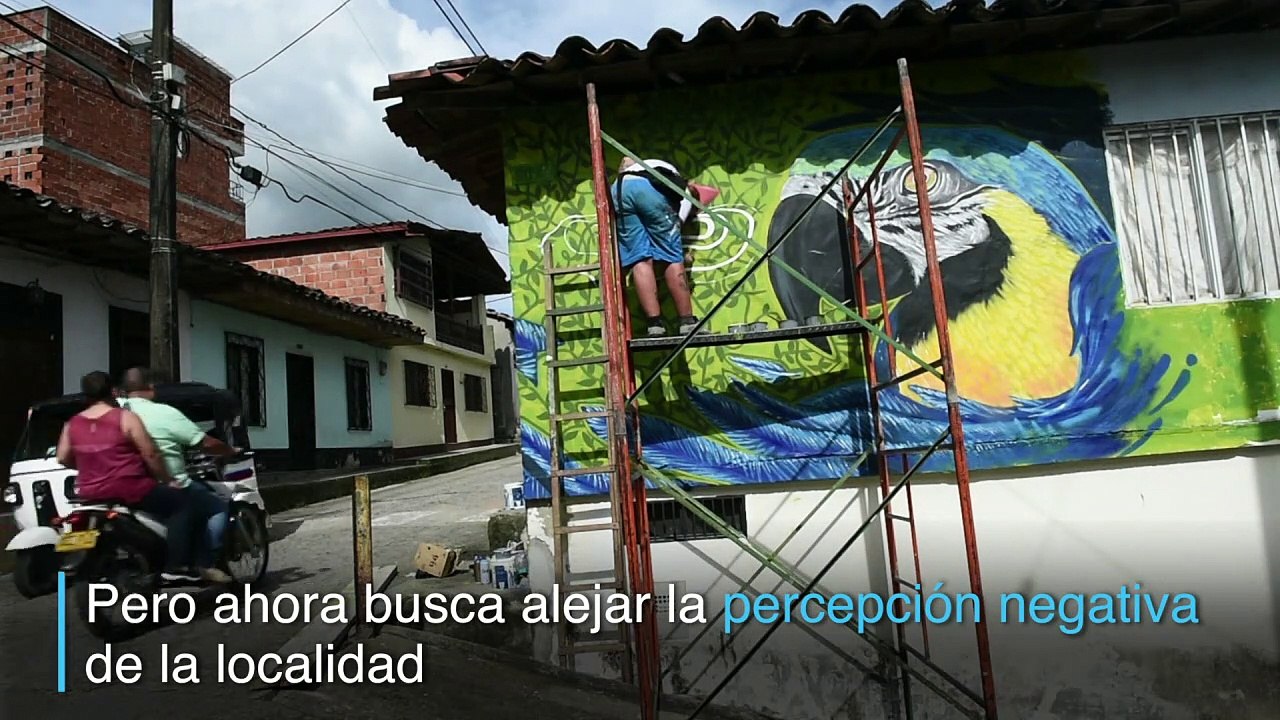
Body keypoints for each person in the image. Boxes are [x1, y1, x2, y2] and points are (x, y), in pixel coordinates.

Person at [56, 371, 196, 581]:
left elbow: (62, 458)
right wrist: (168, 480)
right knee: (182, 505)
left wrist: (90, 465)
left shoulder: (72, 424)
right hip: (130, 489)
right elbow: (150, 453)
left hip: (89, 493)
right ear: (113, 392)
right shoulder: (126, 418)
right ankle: (176, 567)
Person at [119, 367, 235, 585]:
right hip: (159, 485)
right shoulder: (164, 412)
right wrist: (229, 450)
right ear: (151, 388)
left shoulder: (110, 414)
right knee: (215, 506)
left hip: (117, 486)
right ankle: (203, 562)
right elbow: (204, 443)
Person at [612, 156, 705, 337]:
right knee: (672, 256)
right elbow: (671, 234)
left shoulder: (661, 169)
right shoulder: (685, 193)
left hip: (619, 189)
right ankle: (687, 322)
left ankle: (655, 324)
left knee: (640, 259)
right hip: (646, 189)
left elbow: (625, 161)